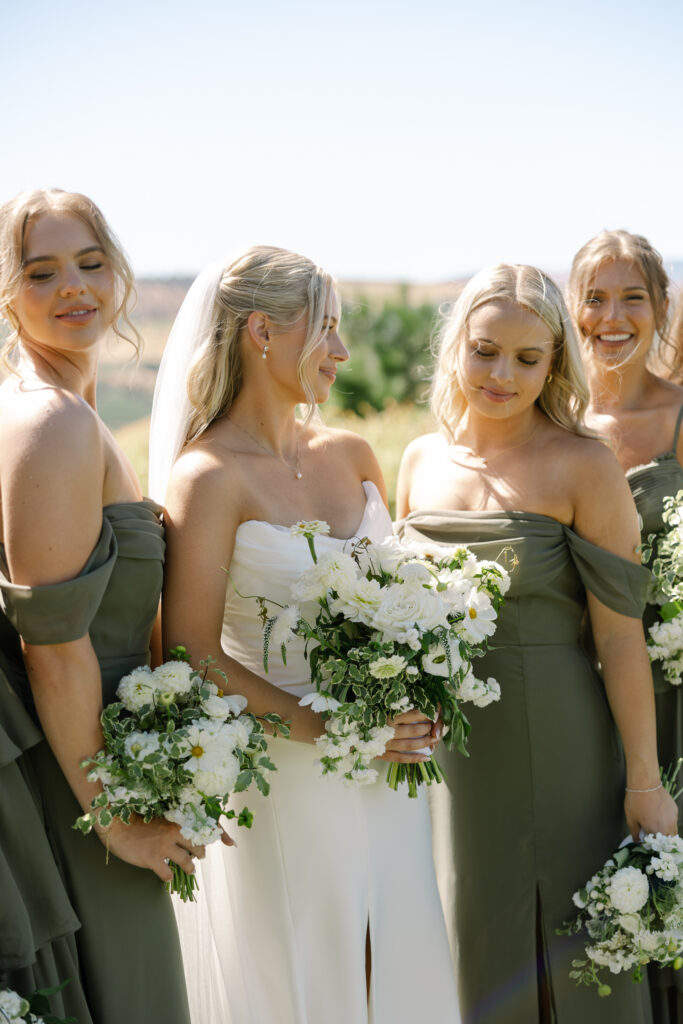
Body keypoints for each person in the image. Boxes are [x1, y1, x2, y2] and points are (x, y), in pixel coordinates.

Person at [149, 246, 460, 1024]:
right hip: (287, 767)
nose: (344, 353)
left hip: (393, 772)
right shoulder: (208, 476)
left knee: (394, 956)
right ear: (262, 331)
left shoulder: (352, 454)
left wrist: (430, 682)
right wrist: (337, 730)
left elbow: (400, 593)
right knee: (311, 969)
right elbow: (189, 653)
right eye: (326, 330)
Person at [395, 263, 678, 1024]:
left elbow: (620, 641)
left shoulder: (582, 464)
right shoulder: (419, 461)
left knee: (576, 953)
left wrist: (644, 782)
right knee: (469, 937)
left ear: (555, 362)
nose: (502, 374)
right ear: (457, 346)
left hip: (560, 740)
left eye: (527, 358)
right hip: (446, 758)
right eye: (485, 350)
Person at [0, 188, 198, 1023]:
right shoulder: (49, 422)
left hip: (93, 758)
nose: (74, 287)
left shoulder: (71, 412)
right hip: (68, 781)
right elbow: (52, 646)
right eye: (41, 272)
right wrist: (114, 823)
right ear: (7, 295)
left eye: (90, 263)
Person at [568, 230, 683, 1024]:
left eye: (631, 297)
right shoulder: (549, 414)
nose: (612, 318)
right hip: (578, 692)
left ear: (661, 309)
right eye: (595, 298)